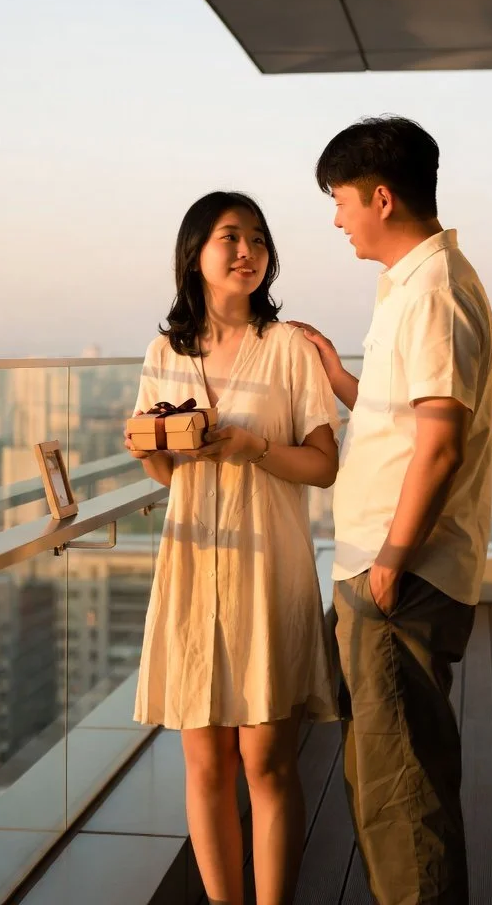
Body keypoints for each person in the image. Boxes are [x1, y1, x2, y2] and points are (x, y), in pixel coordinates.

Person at [292, 116, 492, 905]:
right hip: (386, 566)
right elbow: (405, 420)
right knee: (385, 780)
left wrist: (388, 564)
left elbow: (440, 446)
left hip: (398, 575)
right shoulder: (411, 287)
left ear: (381, 197)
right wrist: (340, 377)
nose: (337, 219)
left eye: (340, 200)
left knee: (402, 792)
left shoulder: (435, 294)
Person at [125, 190, 340, 905]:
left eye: (257, 238)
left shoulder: (289, 349)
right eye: (230, 237)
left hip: (267, 570)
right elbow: (171, 475)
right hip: (191, 571)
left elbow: (324, 465)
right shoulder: (165, 352)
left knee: (266, 761)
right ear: (196, 254)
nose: (247, 251)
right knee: (205, 763)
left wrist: (253, 448)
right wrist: (149, 450)